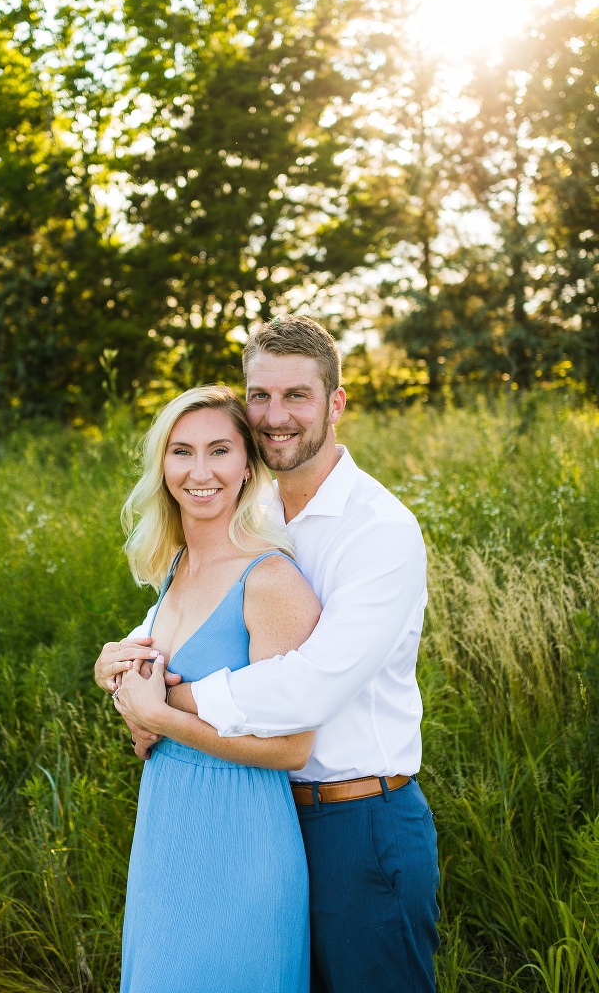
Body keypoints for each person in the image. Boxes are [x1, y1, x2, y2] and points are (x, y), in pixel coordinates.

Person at [106, 317, 441, 993]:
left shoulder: (379, 531)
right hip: (262, 813)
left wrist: (164, 703)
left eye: (297, 396)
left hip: (358, 822)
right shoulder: (246, 507)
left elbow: (308, 689)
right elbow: (185, 622)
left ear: (335, 403)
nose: (275, 416)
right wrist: (117, 665)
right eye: (260, 396)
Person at [94, 384, 322, 993]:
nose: (199, 471)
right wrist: (113, 670)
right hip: (167, 831)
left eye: (219, 450)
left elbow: (293, 748)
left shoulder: (270, 580)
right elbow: (149, 681)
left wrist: (161, 718)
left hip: (241, 840)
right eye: (181, 451)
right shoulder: (176, 568)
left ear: (248, 464)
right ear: (161, 465)